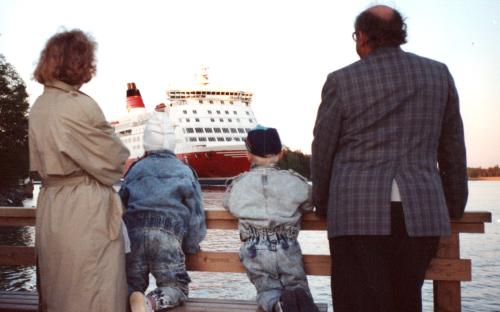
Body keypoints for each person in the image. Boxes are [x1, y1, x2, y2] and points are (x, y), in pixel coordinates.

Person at [311, 5, 468, 312]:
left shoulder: (342, 80)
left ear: (363, 37)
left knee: (358, 301)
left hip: (356, 211)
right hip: (421, 211)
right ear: (400, 35)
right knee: (406, 300)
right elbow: (452, 147)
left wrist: (322, 201)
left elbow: (323, 148)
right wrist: (455, 203)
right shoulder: (438, 74)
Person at [29, 29, 130, 311]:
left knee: (59, 290)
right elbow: (115, 161)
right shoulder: (80, 106)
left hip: (52, 206)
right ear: (79, 63)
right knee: (93, 291)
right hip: (84, 208)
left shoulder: (40, 105)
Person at [224, 126, 319, 312]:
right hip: (286, 246)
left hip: (254, 248)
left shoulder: (239, 185)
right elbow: (309, 203)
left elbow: (230, 204)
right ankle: (299, 301)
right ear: (281, 153)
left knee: (266, 288)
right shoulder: (295, 182)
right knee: (296, 285)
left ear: (248, 155)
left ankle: (276, 305)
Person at [119, 112, 206, 312]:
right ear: (172, 142)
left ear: (146, 143)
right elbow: (195, 215)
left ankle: (133, 297)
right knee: (175, 286)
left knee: (131, 283)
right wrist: (191, 245)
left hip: (135, 236)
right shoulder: (184, 171)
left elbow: (120, 204)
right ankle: (149, 304)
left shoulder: (135, 169)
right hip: (167, 236)